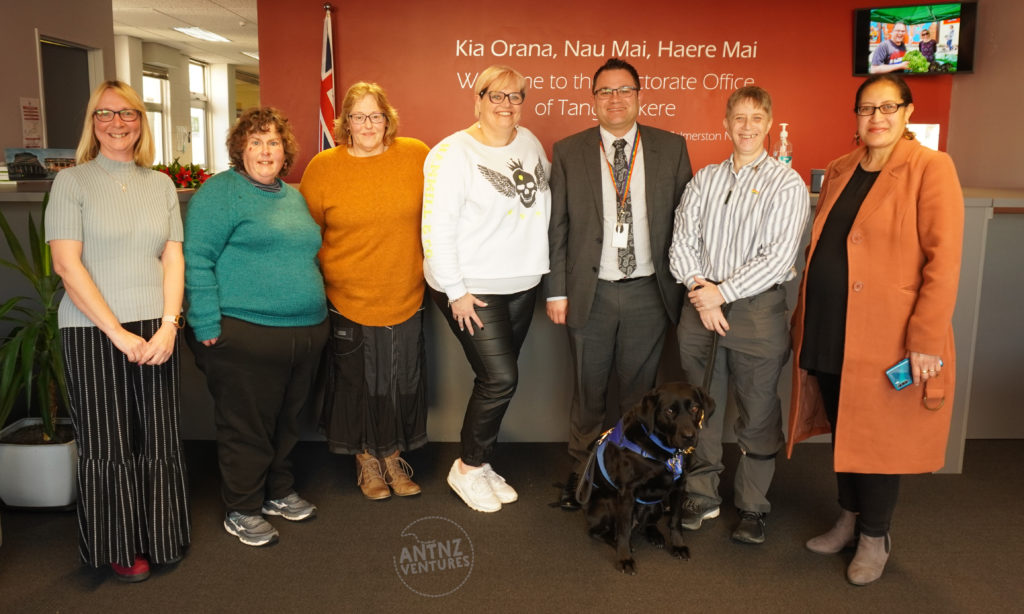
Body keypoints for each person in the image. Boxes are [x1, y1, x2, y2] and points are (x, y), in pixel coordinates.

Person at [788, 74, 963, 585]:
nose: (877, 118)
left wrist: (925, 339)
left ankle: (875, 535)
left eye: (888, 107)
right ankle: (848, 518)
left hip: (888, 335)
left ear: (907, 112)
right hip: (832, 327)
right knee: (849, 425)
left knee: (881, 436)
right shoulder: (843, 168)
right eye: (867, 109)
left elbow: (943, 260)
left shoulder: (931, 168)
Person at [46, 80, 190, 582]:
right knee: (108, 442)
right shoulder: (72, 183)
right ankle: (118, 547)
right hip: (91, 330)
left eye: (126, 113)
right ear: (92, 124)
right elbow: (67, 266)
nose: (116, 123)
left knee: (158, 437)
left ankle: (162, 533)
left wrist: (170, 326)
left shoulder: (160, 185)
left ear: (141, 121)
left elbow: (173, 257)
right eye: (105, 115)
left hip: (156, 326)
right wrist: (117, 333)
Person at [546, 58, 692, 510]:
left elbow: (688, 224)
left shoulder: (671, 147)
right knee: (588, 394)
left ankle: (634, 478)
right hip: (591, 291)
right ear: (593, 100)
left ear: (639, 96)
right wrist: (556, 289)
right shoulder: (569, 150)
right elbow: (559, 227)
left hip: (650, 290)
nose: (614, 99)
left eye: (623, 90)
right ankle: (584, 478)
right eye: (604, 91)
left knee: (638, 396)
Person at [668, 86, 809, 544]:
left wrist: (720, 293)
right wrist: (699, 289)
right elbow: (680, 245)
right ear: (725, 124)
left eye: (756, 118)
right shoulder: (704, 180)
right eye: (739, 118)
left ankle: (752, 506)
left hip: (755, 313)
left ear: (769, 125)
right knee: (699, 409)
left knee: (758, 412)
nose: (747, 127)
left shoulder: (785, 184)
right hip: (699, 309)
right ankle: (701, 495)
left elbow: (778, 256)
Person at [185, 107, 328, 547]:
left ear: (284, 151)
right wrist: (206, 322)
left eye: (273, 142)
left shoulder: (290, 195)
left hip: (303, 331)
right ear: (239, 149)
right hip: (242, 332)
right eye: (255, 143)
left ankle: (278, 492)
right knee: (246, 425)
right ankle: (243, 507)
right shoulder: (219, 193)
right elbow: (196, 258)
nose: (265, 151)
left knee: (286, 420)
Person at [422, 65, 551, 513]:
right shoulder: (450, 153)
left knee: (495, 379)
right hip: (472, 288)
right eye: (496, 96)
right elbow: (435, 226)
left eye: (515, 96)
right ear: (477, 100)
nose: (506, 105)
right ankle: (468, 467)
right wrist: (455, 289)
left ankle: (480, 462)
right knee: (501, 378)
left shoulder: (529, 141)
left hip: (523, 283)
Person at [300, 83, 430, 500]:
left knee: (397, 381)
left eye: (376, 116)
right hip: (347, 297)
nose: (368, 124)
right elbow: (308, 233)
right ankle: (366, 463)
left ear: (387, 120)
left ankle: (392, 457)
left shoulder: (416, 155)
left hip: (405, 292)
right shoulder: (323, 166)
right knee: (356, 384)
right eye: (358, 116)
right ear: (345, 124)